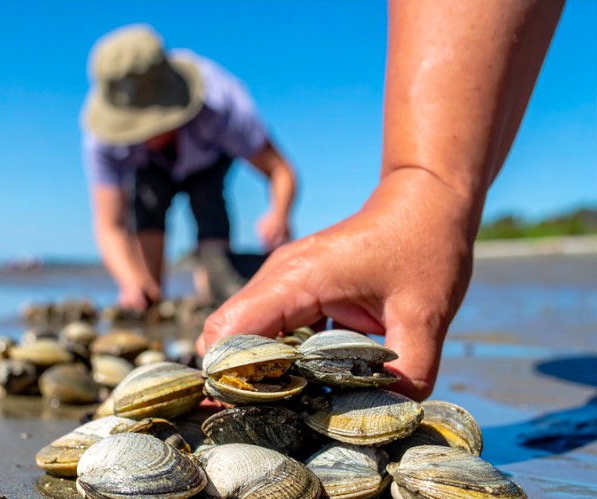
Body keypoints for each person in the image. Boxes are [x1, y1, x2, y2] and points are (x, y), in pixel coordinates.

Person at [198, 0, 565, 401]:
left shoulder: (223, 105)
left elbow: (280, 170)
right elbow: (118, 217)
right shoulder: (125, 156)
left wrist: (427, 189)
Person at [81, 24, 297, 310]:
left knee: (210, 213)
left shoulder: (220, 102)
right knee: (148, 206)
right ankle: (151, 297)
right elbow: (110, 223)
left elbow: (281, 171)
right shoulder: (102, 140)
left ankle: (212, 296)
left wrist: (279, 214)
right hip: (149, 171)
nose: (147, 134)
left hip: (208, 162)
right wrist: (130, 282)